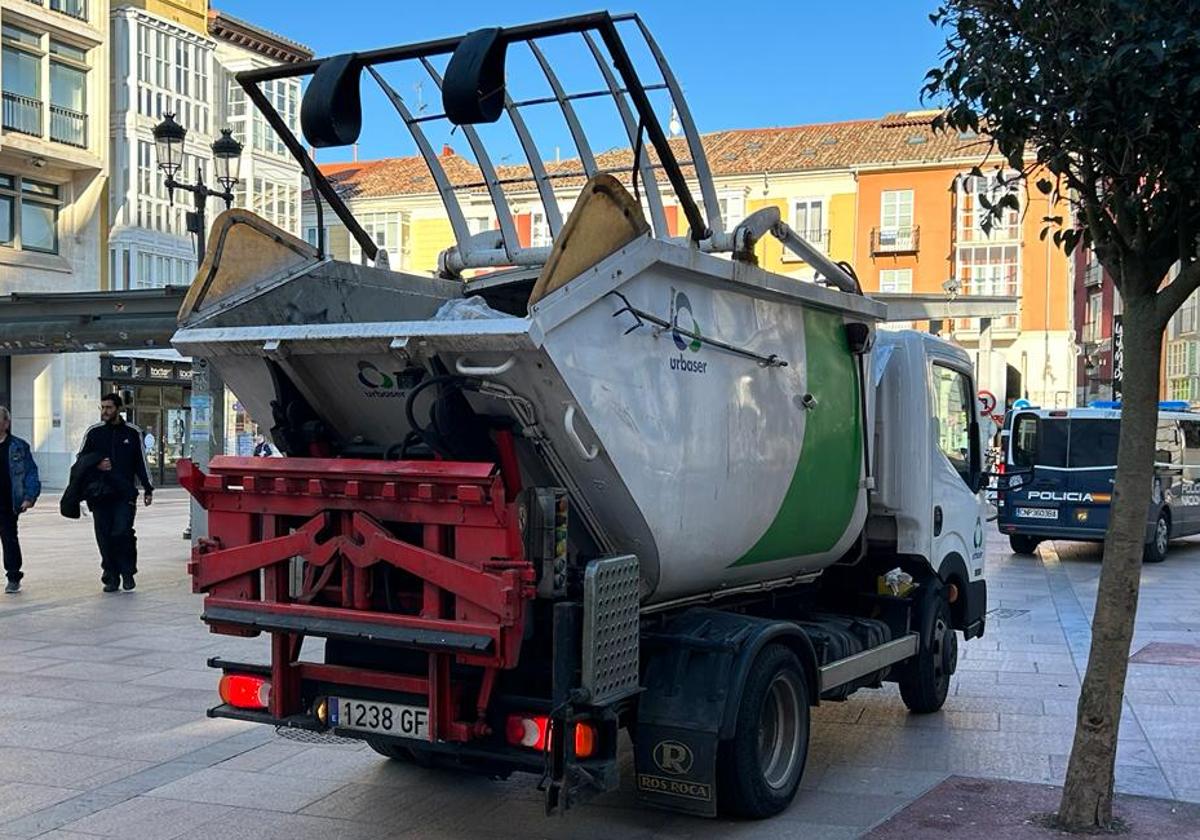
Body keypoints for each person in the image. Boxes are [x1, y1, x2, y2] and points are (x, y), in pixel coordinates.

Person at [77, 393, 153, 592]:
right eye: (102, 407)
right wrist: (97, 463)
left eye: (109, 407)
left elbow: (141, 462)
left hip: (124, 493)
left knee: (122, 532)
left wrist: (148, 487)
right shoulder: (94, 433)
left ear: (118, 409)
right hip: (100, 493)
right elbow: (81, 460)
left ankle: (127, 572)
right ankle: (110, 575)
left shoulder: (132, 432)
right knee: (104, 536)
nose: (105, 412)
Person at [0, 406, 40, 594]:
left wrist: (29, 496)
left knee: (9, 539)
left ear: (6, 423)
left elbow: (31, 472)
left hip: (8, 502)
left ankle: (14, 575)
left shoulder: (18, 446)